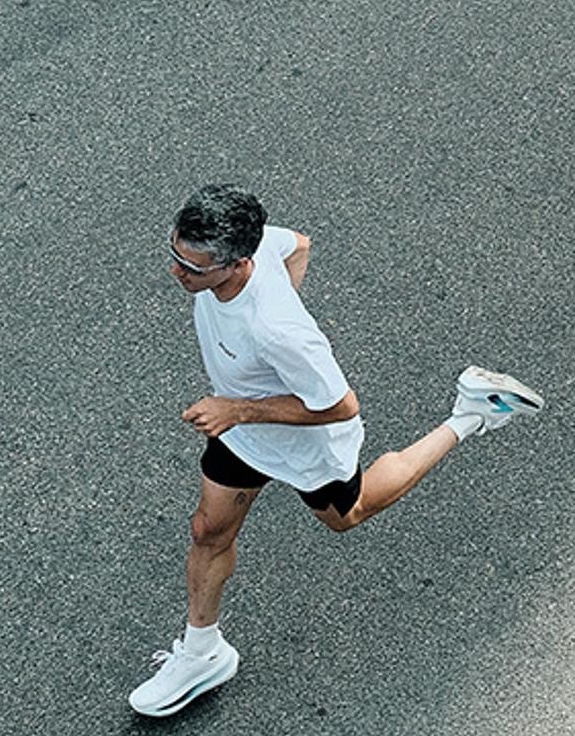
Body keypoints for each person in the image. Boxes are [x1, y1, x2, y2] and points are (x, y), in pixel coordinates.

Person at [129, 184, 544, 717]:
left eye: (193, 268)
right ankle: (203, 651)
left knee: (349, 514)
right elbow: (298, 244)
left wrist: (239, 407)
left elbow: (341, 405)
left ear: (236, 264)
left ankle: (470, 415)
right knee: (208, 531)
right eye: (174, 255)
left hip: (304, 440)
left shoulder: (280, 331)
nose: (177, 273)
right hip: (244, 431)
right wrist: (241, 408)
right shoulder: (256, 249)